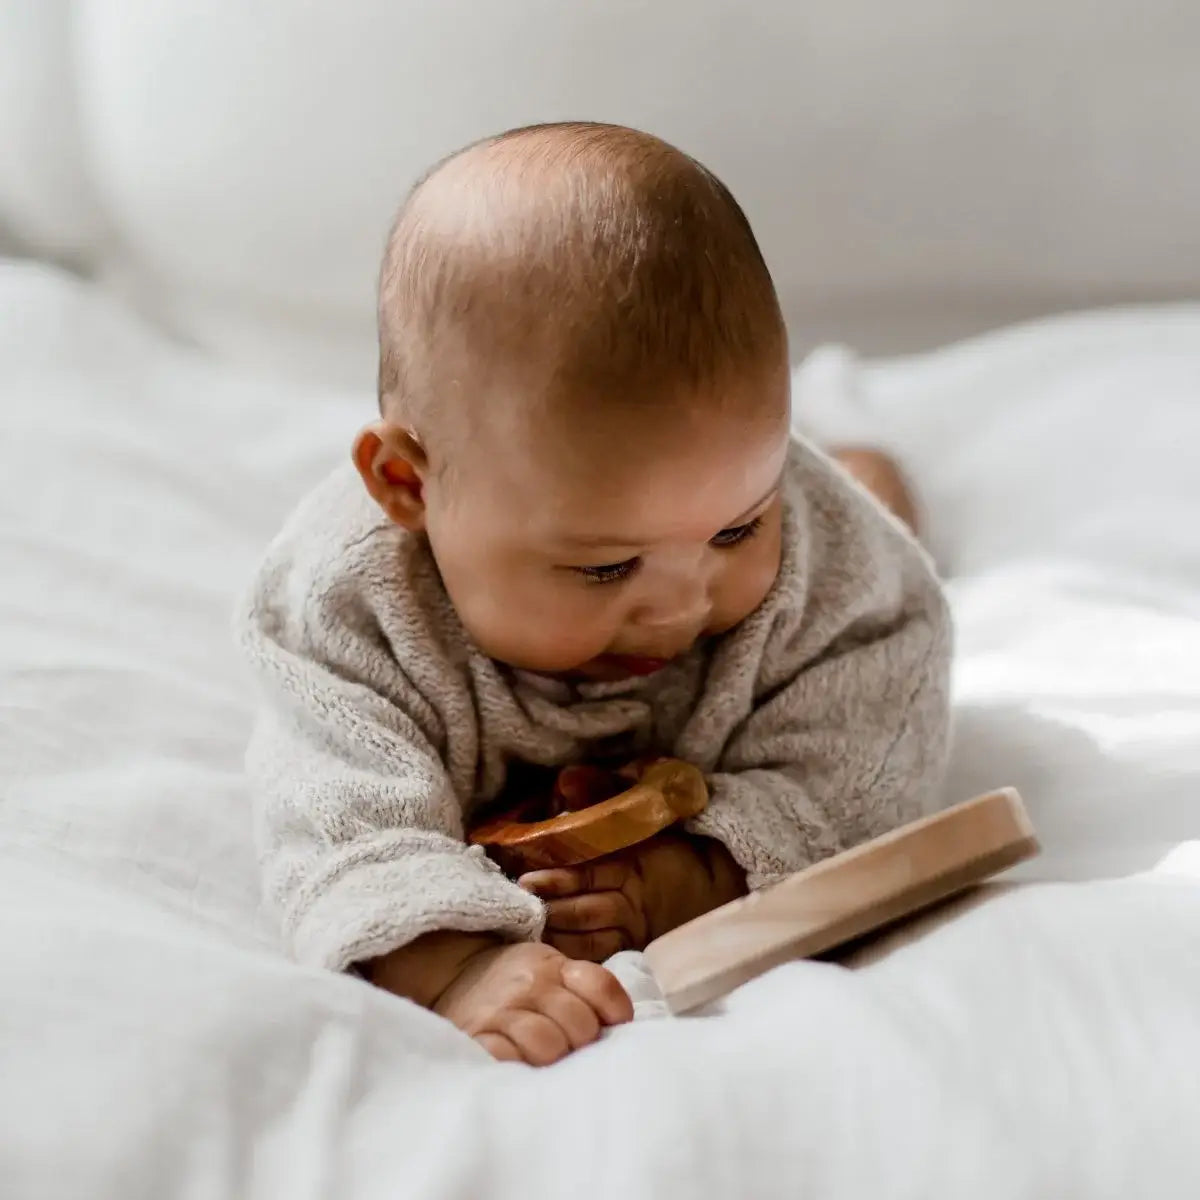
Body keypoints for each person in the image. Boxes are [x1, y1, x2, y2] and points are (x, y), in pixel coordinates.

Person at [236, 122, 951, 1067]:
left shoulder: (825, 553)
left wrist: (705, 872)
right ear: (409, 485)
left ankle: (858, 455)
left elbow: (873, 732)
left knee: (873, 521)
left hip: (824, 510)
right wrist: (448, 964)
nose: (680, 607)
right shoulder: (347, 605)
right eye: (607, 567)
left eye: (736, 530)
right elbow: (334, 811)